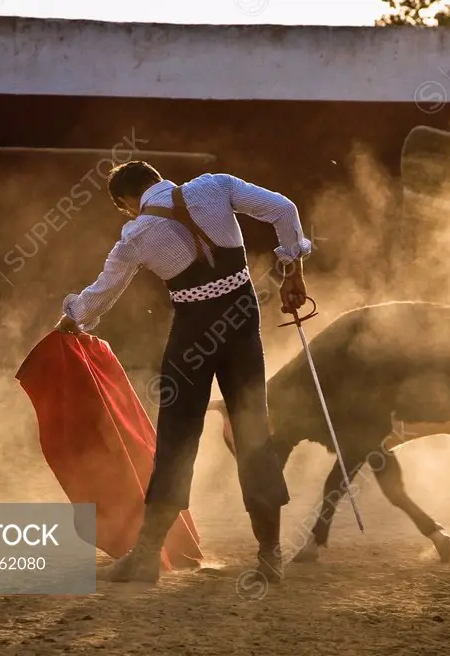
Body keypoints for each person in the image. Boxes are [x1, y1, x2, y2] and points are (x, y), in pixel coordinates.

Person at [55, 160, 311, 585]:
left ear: (127, 202)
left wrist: (72, 318)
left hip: (192, 335)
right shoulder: (217, 186)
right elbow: (285, 209)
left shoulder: (135, 235)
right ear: (158, 178)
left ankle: (145, 558)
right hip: (241, 322)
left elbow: (103, 292)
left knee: (176, 437)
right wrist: (292, 272)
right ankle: (270, 555)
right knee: (252, 430)